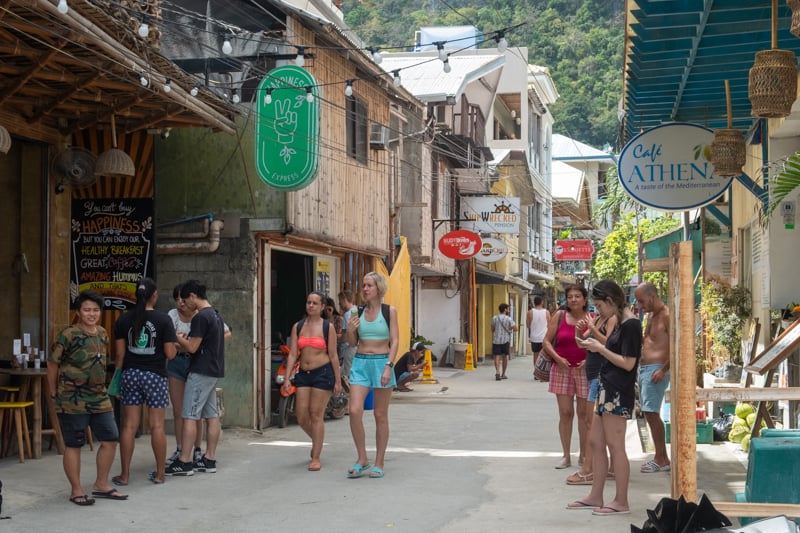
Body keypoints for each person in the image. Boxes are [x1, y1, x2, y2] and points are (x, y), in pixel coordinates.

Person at [567, 280, 642, 515]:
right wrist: (593, 345)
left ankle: (621, 501)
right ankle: (595, 495)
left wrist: (600, 349)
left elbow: (629, 363)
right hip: (605, 386)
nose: (598, 311)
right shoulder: (619, 322)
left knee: (615, 446)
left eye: (600, 306)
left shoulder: (630, 324)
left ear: (611, 301)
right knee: (596, 442)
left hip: (618, 391)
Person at [47, 290, 128, 505]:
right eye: (86, 310)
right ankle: (76, 490)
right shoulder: (69, 334)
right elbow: (53, 363)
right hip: (72, 398)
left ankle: (101, 484)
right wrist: (53, 391)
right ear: (79, 312)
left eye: (95, 310)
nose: (91, 314)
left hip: (99, 397)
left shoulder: (102, 333)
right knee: (74, 444)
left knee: (111, 439)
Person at [112, 278, 177, 485]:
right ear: (154, 296)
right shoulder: (163, 320)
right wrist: (176, 345)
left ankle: (124, 475)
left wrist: (117, 379)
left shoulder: (123, 320)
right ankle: (159, 474)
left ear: (135, 295)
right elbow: (169, 353)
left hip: (130, 375)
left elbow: (120, 355)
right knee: (157, 425)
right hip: (155, 376)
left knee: (129, 426)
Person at [166, 283, 231, 469]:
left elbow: (192, 347)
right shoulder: (216, 314)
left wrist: (177, 338)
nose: (183, 304)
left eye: (185, 299)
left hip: (200, 370)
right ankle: (209, 458)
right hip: (213, 370)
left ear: (193, 296)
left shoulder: (201, 317)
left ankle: (184, 461)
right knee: (211, 415)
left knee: (189, 415)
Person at [344, 271, 399, 479]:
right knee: (355, 410)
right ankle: (362, 458)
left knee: (379, 414)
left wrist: (388, 366)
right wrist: (349, 329)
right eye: (364, 285)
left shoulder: (389, 311)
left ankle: (379, 461)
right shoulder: (356, 312)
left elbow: (395, 341)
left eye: (369, 285)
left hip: (381, 363)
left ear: (379, 288)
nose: (365, 289)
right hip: (360, 363)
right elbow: (351, 342)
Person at [565, 285, 618, 485]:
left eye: (598, 305)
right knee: (592, 422)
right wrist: (579, 331)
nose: (597, 309)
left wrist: (594, 329)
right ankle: (598, 466)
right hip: (593, 375)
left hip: (601, 375)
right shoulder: (598, 319)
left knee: (593, 422)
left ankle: (590, 467)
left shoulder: (611, 319)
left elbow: (611, 344)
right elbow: (583, 343)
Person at [284, 291, 342, 471]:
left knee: (316, 414)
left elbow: (333, 355)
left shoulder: (327, 327)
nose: (311, 306)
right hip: (303, 373)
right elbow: (293, 353)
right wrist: (287, 378)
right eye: (309, 302)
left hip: (323, 373)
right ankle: (318, 440)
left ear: (323, 307)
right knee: (301, 416)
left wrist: (338, 381)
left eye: (315, 303)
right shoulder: (298, 326)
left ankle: (315, 456)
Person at [542, 284, 592, 469]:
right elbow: (546, 341)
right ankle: (566, 455)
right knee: (565, 413)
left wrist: (589, 360)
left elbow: (599, 343)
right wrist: (558, 358)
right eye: (570, 297)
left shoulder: (592, 319)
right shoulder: (559, 316)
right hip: (561, 370)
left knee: (584, 415)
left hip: (585, 371)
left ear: (585, 299)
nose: (573, 299)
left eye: (577, 296)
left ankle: (584, 455)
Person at [634, 282, 671, 473]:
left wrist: (664, 369)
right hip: (646, 369)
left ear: (652, 296)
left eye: (642, 301)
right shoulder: (651, 315)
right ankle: (660, 456)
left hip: (657, 369)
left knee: (651, 413)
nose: (640, 305)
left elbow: (678, 344)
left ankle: (661, 458)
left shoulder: (666, 315)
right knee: (649, 413)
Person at [491, 303, 518, 380]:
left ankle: (497, 372)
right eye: (508, 309)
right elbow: (515, 328)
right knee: (505, 357)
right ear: (505, 310)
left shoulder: (494, 318)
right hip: (505, 340)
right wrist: (509, 328)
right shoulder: (508, 319)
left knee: (497, 356)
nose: (508, 310)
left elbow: (492, 329)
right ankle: (503, 374)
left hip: (496, 340)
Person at [527, 295, 550, 377]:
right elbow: (549, 324)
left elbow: (528, 325)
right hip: (544, 337)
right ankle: (542, 373)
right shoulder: (546, 312)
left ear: (534, 302)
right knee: (543, 355)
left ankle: (536, 373)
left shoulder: (530, 312)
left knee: (535, 355)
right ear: (542, 302)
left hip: (534, 337)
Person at [337, 290, 358, 381]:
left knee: (346, 374)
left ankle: (348, 394)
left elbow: (346, 335)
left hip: (347, 348)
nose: (339, 304)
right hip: (356, 347)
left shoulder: (347, 314)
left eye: (340, 301)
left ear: (344, 300)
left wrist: (338, 339)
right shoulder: (356, 310)